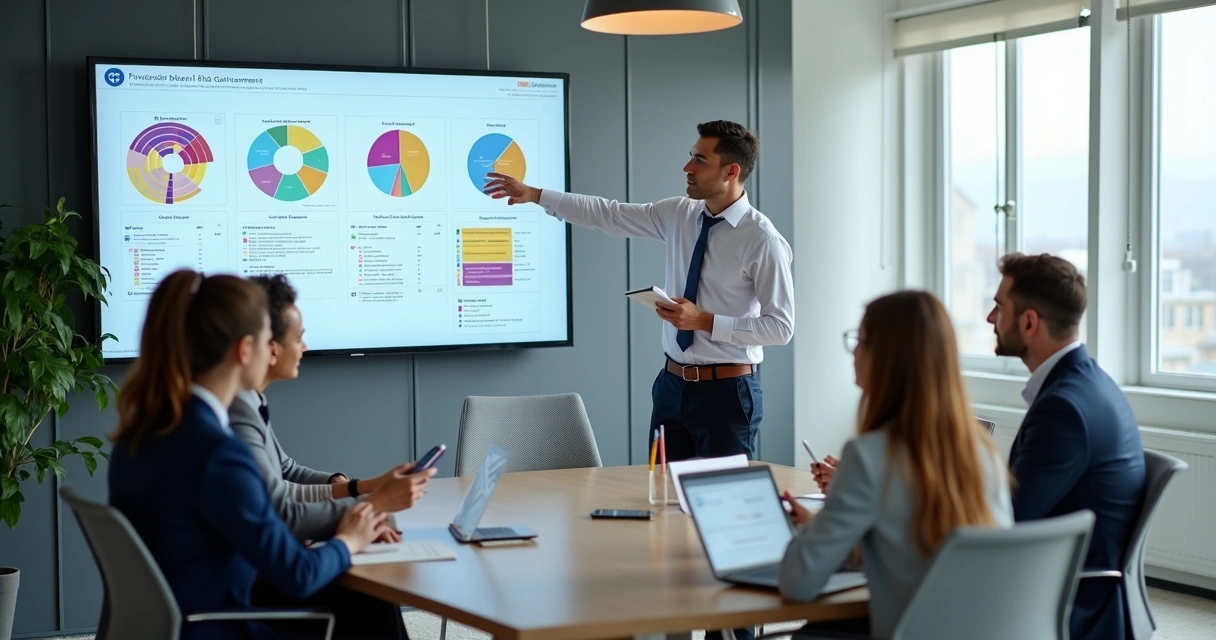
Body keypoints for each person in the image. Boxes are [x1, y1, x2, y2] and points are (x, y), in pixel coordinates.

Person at [483, 120, 794, 466]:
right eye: (691, 157)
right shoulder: (680, 213)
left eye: (700, 161)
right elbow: (611, 215)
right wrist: (536, 195)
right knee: (662, 497)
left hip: (728, 393)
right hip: (671, 388)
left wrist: (703, 321)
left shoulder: (762, 240)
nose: (687, 168)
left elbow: (780, 328)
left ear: (731, 171)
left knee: (718, 503)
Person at [108, 270, 390, 640]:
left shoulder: (140, 435)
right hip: (215, 627)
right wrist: (349, 540)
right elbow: (298, 574)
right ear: (245, 350)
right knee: (367, 608)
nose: (272, 348)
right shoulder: (219, 454)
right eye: (265, 339)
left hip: (173, 623)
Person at [778, 290, 1013, 639]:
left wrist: (813, 531)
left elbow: (796, 581)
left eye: (861, 340)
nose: (854, 351)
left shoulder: (868, 456)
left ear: (888, 357)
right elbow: (924, 552)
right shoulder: (984, 453)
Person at [988, 253, 1146, 640]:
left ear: (1029, 322)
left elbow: (1006, 523)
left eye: (998, 308)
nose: (990, 319)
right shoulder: (1086, 382)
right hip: (1063, 580)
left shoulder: (1064, 408)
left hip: (1066, 603)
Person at [231, 274, 434, 542]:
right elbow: (281, 510)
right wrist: (374, 506)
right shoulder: (237, 413)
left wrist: (358, 487)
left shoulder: (252, 401)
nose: (305, 347)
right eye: (298, 339)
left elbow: (286, 475)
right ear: (271, 348)